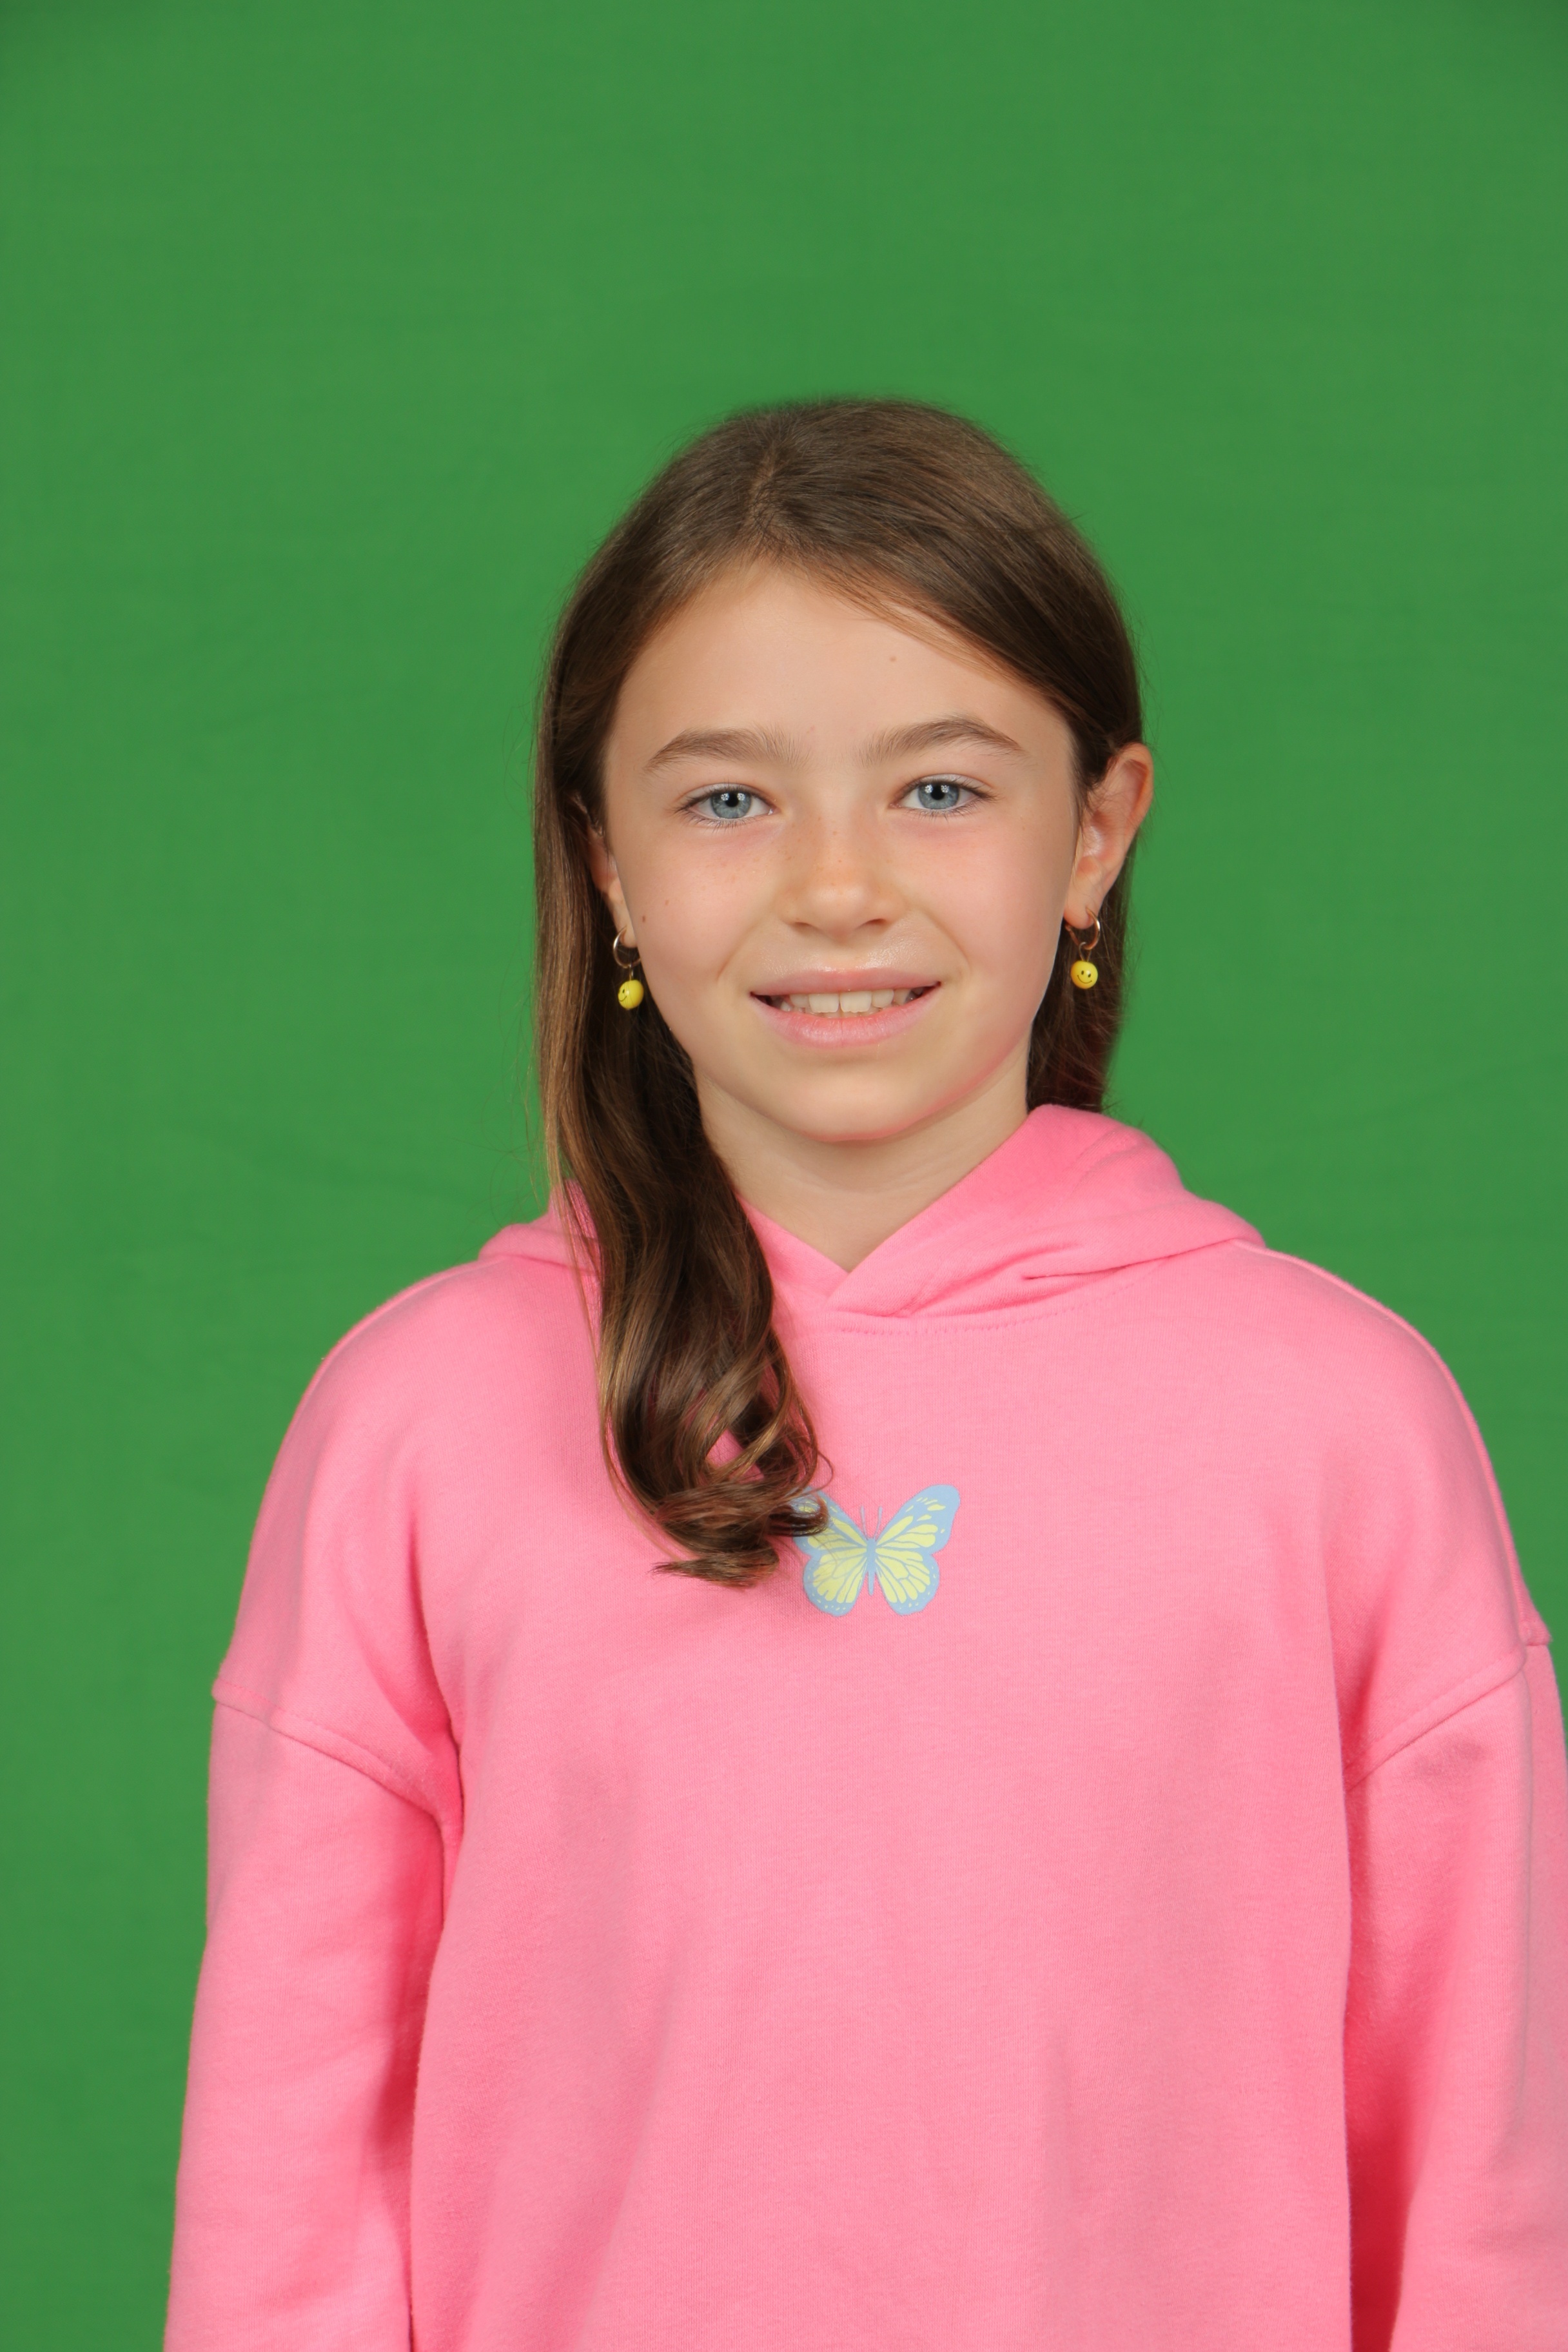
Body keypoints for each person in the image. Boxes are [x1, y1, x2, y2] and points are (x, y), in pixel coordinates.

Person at [164, 398, 1568, 2350]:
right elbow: (292, 2185)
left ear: (1097, 833)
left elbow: (1484, 2186)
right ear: (607, 860)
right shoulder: (419, 1423)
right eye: (728, 801)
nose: (838, 886)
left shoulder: (1338, 1425)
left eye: (940, 788)